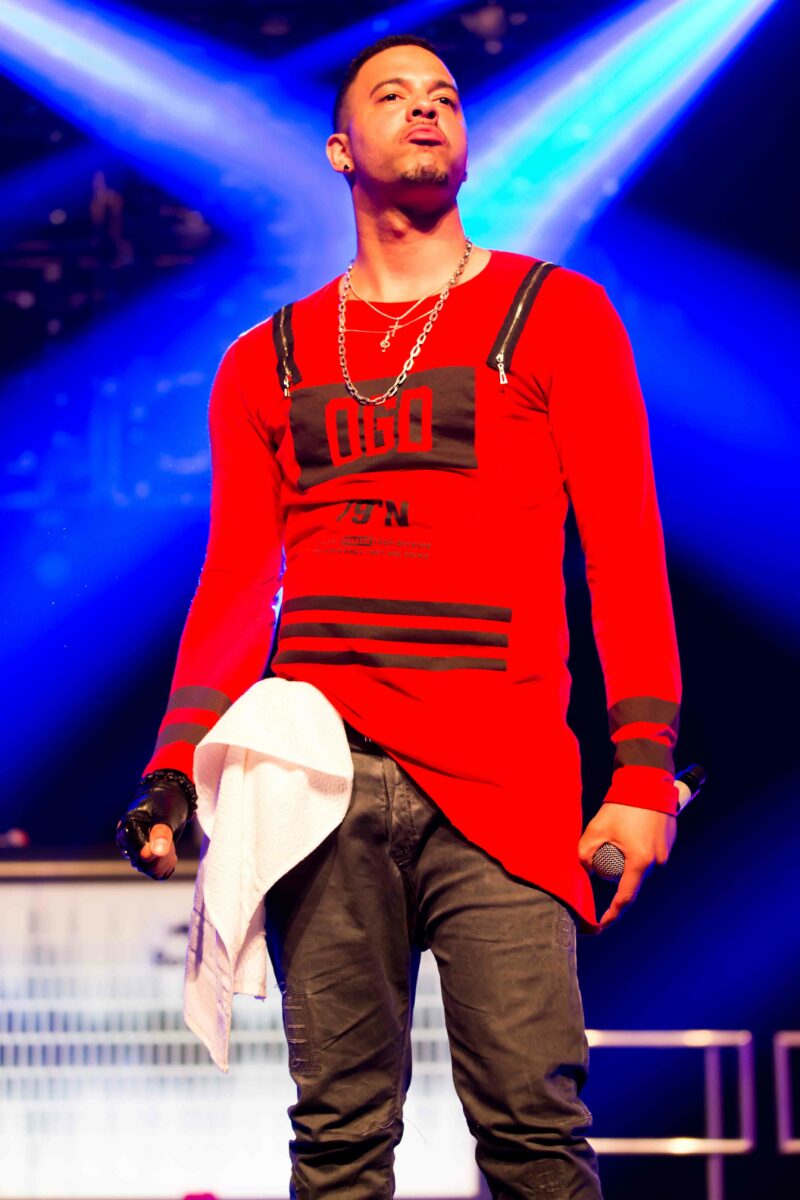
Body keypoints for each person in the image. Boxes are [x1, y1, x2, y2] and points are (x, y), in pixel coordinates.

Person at [117, 33, 683, 1199]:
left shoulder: (554, 314)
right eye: (392, 93)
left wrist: (640, 769)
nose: (426, 108)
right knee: (337, 1139)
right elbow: (236, 583)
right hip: (317, 778)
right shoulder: (265, 362)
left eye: (445, 96)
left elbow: (623, 550)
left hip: (505, 777)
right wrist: (174, 767)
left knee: (532, 1130)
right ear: (339, 149)